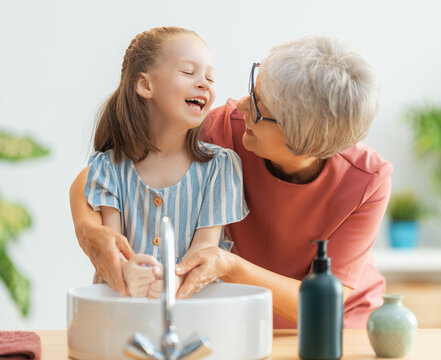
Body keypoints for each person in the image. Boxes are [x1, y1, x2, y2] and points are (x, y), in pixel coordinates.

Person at [70, 35, 392, 328]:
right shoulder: (223, 130)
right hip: (245, 315)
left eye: (259, 109)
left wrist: (228, 265)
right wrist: (89, 231)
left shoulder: (367, 182)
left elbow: (320, 302)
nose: (240, 106)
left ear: (303, 144)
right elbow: (100, 173)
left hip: (332, 325)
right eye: (254, 90)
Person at [80, 26, 248, 298]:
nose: (204, 83)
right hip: (122, 316)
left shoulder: (220, 167)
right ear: (146, 85)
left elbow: (204, 250)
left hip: (193, 316)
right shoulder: (108, 168)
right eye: (188, 72)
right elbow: (113, 247)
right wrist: (128, 271)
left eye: (210, 77)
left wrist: (173, 280)